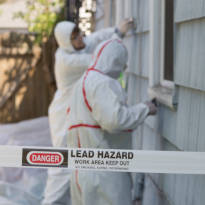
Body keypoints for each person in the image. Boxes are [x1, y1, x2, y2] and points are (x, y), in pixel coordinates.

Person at [42, 19, 135, 205]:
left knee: (79, 161)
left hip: (75, 110)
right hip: (63, 114)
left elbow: (96, 38)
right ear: (66, 42)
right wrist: (119, 36)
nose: (80, 39)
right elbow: (101, 58)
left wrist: (115, 29)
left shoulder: (77, 46)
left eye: (79, 34)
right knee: (62, 163)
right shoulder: (66, 59)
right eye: (74, 37)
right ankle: (49, 202)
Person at [66, 39, 157, 205]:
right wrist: (145, 109)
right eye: (122, 63)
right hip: (105, 171)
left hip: (82, 169)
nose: (123, 69)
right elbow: (115, 121)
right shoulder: (102, 83)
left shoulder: (82, 82)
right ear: (115, 60)